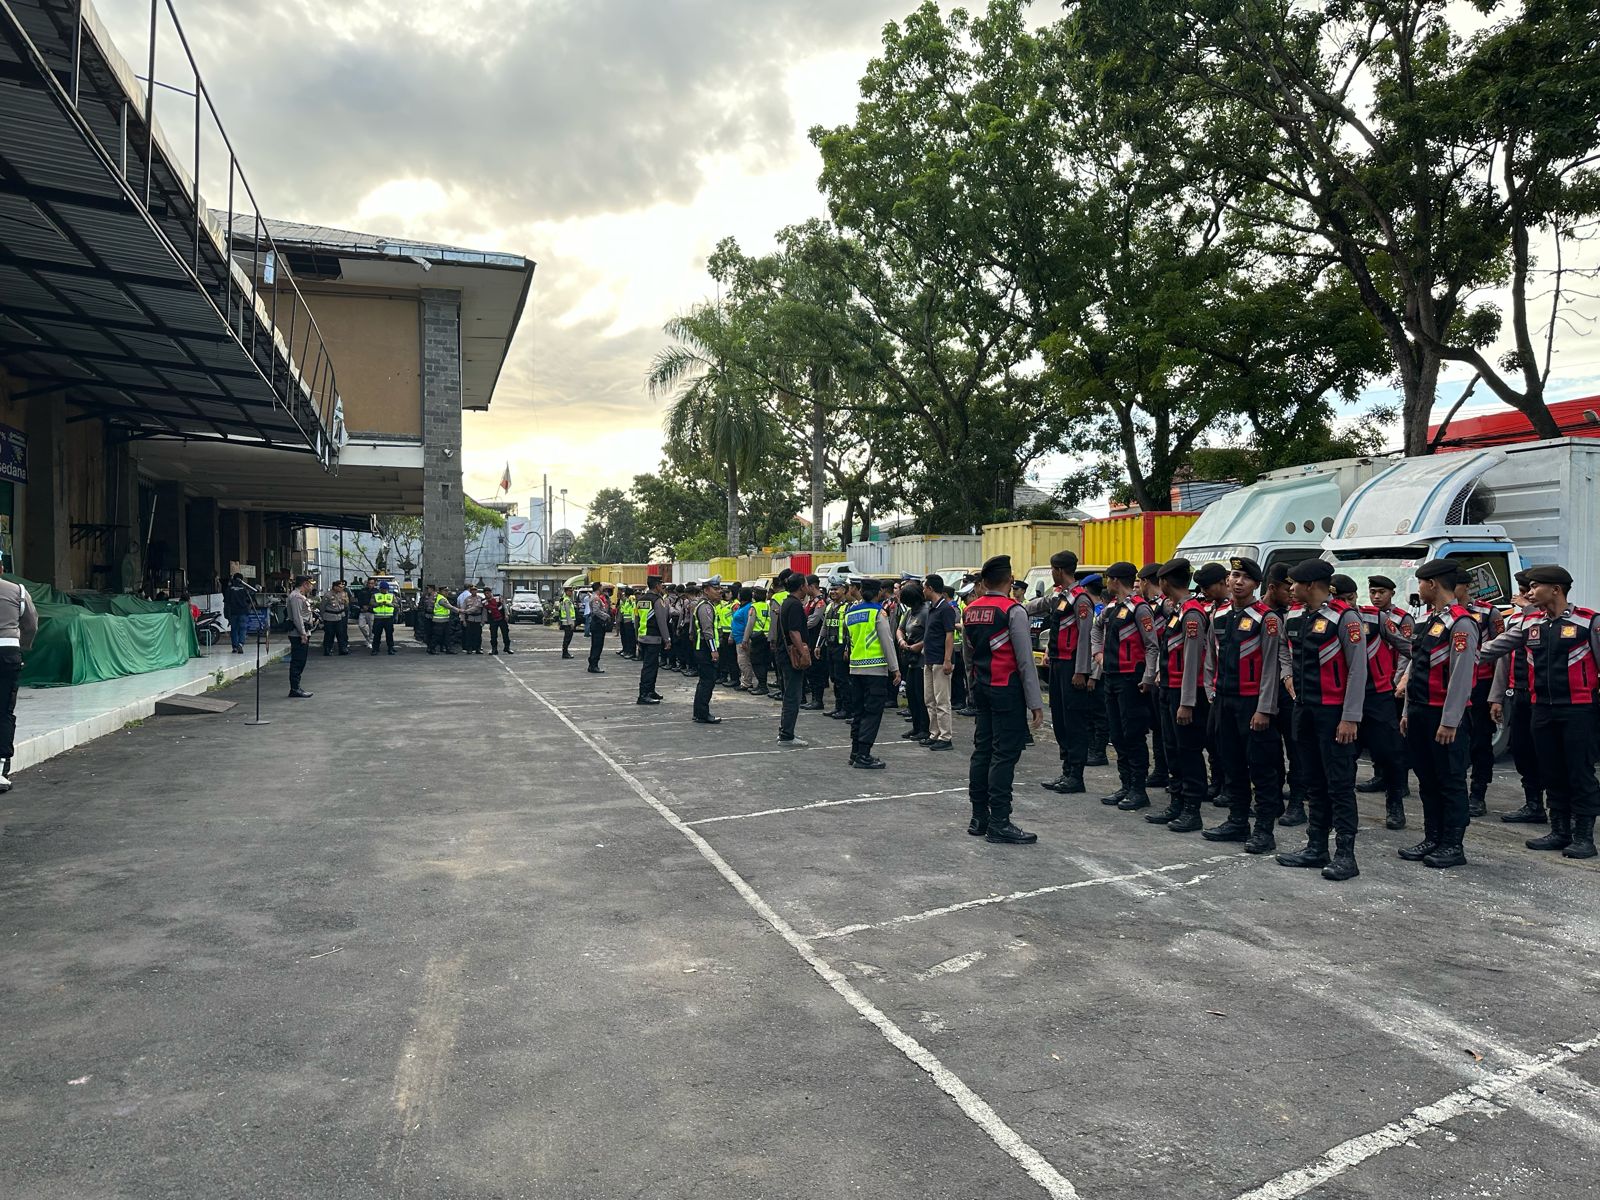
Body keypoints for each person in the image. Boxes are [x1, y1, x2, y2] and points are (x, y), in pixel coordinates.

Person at [1478, 563, 1598, 859]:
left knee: (1579, 772)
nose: (1529, 592)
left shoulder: (1589, 622)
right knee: (1551, 770)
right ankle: (1559, 831)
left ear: (1555, 590)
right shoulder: (1532, 624)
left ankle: (1583, 836)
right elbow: (1496, 647)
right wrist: (1460, 653)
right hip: (1540, 709)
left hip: (1579, 710)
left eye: (1535, 587)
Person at [1276, 559, 1367, 882]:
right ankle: (1316, 847)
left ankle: (1345, 854)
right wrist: (1287, 676)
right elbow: (1285, 652)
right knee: (1313, 780)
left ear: (1311, 585)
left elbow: (1358, 669)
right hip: (1305, 709)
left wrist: (1350, 717)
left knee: (1339, 784)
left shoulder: (1345, 618)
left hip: (1335, 713)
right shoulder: (1295, 616)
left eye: (1295, 584)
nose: (1290, 589)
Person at [1394, 559, 1479, 869]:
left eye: (1420, 583)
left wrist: (1450, 720)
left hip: (1444, 717)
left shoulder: (1461, 623)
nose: (1418, 589)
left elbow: (1461, 676)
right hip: (1420, 712)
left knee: (1451, 781)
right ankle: (1433, 837)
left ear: (1432, 584)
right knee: (1427, 780)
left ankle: (1453, 845)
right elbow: (1417, 667)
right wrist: (1407, 710)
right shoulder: (1430, 621)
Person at [963, 555, 1046, 843]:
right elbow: (1025, 661)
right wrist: (1036, 703)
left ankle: (979, 817)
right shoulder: (1013, 611)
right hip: (1006, 689)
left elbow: (969, 655)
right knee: (1004, 754)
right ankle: (1000, 820)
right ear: (1010, 580)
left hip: (983, 687)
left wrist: (972, 689)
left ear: (983, 582)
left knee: (982, 750)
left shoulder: (970, 610)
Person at [1150, 559, 1225, 833]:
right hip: (1170, 690)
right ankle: (1177, 802)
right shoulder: (1178, 611)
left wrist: (1187, 702)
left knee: (1188, 751)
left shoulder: (1192, 614)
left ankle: (1192, 809)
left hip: (1185, 694)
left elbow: (1193, 660)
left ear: (1165, 582)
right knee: (1173, 749)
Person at [1344, 574, 1412, 831]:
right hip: (1343, 698)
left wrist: (1412, 674)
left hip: (1377, 695)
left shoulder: (1375, 618)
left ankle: (1395, 803)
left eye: (1348, 599)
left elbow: (1407, 647)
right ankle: (1345, 810)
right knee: (1345, 756)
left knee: (1390, 752)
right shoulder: (1326, 620)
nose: (1344, 605)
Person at [1093, 562, 1160, 810]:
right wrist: (1097, 654)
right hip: (1111, 676)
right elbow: (1096, 629)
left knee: (1133, 734)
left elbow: (1152, 644)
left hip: (1132, 679)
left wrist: (1149, 676)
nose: (1106, 583)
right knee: (1118, 734)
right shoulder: (1111, 608)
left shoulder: (1139, 609)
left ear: (1115, 580)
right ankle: (1126, 784)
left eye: (1108, 578)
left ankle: (1138, 789)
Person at [1033, 551, 1095, 794]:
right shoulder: (1062, 596)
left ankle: (1076, 775)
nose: (1051, 573)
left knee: (1074, 720)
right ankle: (1067, 769)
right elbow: (1040, 606)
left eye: (1052, 569)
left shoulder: (1081, 599)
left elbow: (1085, 638)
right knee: (1059, 718)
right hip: (1058, 663)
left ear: (1058, 570)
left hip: (1072, 666)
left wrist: (1081, 670)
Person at [1492, 571, 1545, 824]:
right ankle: (1533, 804)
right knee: (1522, 751)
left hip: (1546, 699)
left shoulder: (1548, 619)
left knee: (1549, 754)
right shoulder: (1515, 620)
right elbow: (1503, 659)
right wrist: (1496, 697)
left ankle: (1565, 815)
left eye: (1530, 592)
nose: (1524, 597)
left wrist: (1528, 611)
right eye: (1524, 592)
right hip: (1518, 693)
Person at [1453, 575, 1505, 817]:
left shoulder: (1488, 613)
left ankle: (1478, 792)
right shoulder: (1441, 615)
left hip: (1481, 683)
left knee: (1480, 740)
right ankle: (1457, 791)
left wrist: (1497, 692)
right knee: (1455, 739)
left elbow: (1499, 651)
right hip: (1452, 683)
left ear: (1466, 586)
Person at [846, 577, 900, 769]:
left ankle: (855, 752)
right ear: (878, 593)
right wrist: (895, 668)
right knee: (872, 713)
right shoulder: (878, 612)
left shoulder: (850, 613)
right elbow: (887, 641)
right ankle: (864, 754)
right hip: (875, 670)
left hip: (855, 668)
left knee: (858, 711)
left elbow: (851, 640)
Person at [0, 573, 40, 792]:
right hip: (7, 653)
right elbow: (31, 624)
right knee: (4, 710)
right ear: (1, 569)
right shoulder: (18, 591)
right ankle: (0, 771)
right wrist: (23, 645)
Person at [922, 575, 958, 752]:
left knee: (942, 700)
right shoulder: (932, 608)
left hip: (940, 660)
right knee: (930, 699)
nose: (923, 591)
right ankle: (934, 733)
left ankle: (945, 736)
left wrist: (947, 659)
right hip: (929, 659)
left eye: (924, 588)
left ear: (930, 588)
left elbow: (949, 635)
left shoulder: (946, 609)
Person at [778, 575, 812, 742]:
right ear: (801, 587)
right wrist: (803, 652)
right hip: (791, 657)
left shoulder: (786, 602)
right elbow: (794, 632)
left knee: (790, 694)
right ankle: (787, 734)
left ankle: (786, 731)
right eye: (806, 585)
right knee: (793, 696)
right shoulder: (795, 605)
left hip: (783, 655)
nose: (808, 588)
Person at [896, 582, 930, 744]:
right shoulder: (910, 612)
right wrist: (901, 640)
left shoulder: (925, 612)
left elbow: (933, 634)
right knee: (911, 693)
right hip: (910, 658)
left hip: (922, 659)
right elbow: (900, 629)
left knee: (921, 694)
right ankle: (916, 726)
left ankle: (924, 728)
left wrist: (918, 646)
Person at [691, 579, 724, 724]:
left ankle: (699, 712)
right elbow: (707, 631)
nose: (719, 592)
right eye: (715, 589)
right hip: (706, 649)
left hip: (703, 648)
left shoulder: (707, 605)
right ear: (706, 590)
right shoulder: (705, 607)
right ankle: (702, 713)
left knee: (705, 682)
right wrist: (713, 650)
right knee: (707, 682)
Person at [635, 575, 669, 705]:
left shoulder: (641, 600)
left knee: (651, 665)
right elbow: (662, 622)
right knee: (650, 667)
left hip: (643, 637)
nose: (662, 587)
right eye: (661, 585)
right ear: (656, 586)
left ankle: (650, 691)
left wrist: (636, 638)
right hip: (653, 637)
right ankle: (643, 694)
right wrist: (667, 639)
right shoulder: (657, 600)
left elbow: (637, 620)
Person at [287, 575, 316, 698]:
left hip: (302, 631)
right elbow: (297, 617)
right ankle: (295, 688)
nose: (311, 586)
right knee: (298, 661)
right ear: (305, 584)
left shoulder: (300, 596)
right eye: (310, 583)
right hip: (298, 634)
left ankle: (296, 687)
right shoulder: (296, 597)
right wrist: (303, 634)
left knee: (301, 661)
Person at [732, 587, 756, 692]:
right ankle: (745, 681)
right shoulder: (742, 607)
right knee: (742, 661)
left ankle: (747, 683)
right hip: (738, 637)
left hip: (742, 638)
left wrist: (745, 640)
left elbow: (748, 624)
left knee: (744, 661)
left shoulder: (747, 608)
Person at [318, 580, 350, 656]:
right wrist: (322, 617)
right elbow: (322, 607)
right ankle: (327, 649)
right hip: (330, 617)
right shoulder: (328, 595)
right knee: (329, 634)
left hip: (339, 617)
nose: (341, 588)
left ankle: (342, 649)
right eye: (339, 587)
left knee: (341, 634)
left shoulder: (341, 594)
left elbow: (344, 605)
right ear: (335, 587)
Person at [223, 572, 253, 654]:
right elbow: (250, 600)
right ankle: (240, 644)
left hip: (233, 612)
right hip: (243, 612)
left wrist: (226, 614)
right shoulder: (244, 589)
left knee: (234, 629)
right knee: (243, 629)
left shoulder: (229, 589)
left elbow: (226, 603)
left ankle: (235, 647)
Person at [587, 585, 613, 672]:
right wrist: (606, 616)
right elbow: (596, 611)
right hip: (598, 623)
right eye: (601, 587)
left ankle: (592, 664)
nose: (603, 589)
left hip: (597, 623)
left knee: (595, 645)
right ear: (598, 588)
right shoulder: (596, 598)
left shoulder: (595, 597)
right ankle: (594, 665)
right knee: (597, 645)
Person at [369, 578, 398, 655]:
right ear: (380, 589)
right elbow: (371, 604)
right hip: (378, 618)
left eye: (385, 589)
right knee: (377, 634)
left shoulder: (391, 596)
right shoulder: (375, 595)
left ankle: (390, 648)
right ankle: (375, 649)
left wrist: (389, 604)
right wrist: (379, 604)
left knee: (389, 634)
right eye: (383, 589)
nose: (384, 590)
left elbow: (396, 605)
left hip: (388, 618)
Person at [428, 586, 459, 655]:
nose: (447, 592)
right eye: (445, 591)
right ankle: (431, 648)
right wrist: (458, 610)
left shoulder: (442, 598)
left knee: (447, 635)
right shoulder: (441, 599)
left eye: (447, 591)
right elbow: (449, 607)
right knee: (437, 635)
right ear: (441, 591)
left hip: (444, 620)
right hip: (439, 620)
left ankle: (448, 648)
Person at [461, 585, 486, 654]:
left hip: (478, 618)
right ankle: (469, 648)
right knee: (469, 634)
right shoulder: (467, 599)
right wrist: (463, 620)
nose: (473, 591)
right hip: (470, 618)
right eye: (472, 590)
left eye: (475, 590)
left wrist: (483, 620)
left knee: (478, 635)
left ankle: (478, 648)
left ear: (477, 591)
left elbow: (484, 610)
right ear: (470, 591)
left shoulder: (481, 599)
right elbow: (463, 610)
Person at [618, 589, 638, 660]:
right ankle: (628, 651)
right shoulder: (627, 600)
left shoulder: (631, 599)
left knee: (631, 638)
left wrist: (633, 620)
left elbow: (634, 609)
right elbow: (623, 609)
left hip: (630, 621)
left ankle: (632, 653)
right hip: (626, 621)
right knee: (628, 638)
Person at [558, 586, 578, 658]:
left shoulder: (567, 599)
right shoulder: (566, 600)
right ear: (566, 592)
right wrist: (571, 623)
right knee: (567, 638)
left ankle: (565, 652)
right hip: (567, 622)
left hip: (566, 621)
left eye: (572, 591)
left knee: (567, 637)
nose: (571, 592)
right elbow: (568, 613)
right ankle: (565, 653)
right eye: (570, 591)